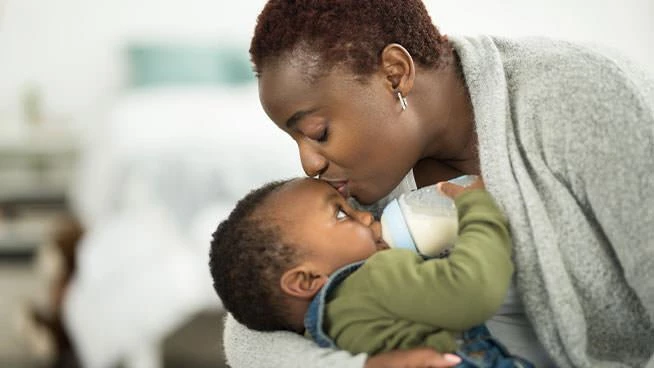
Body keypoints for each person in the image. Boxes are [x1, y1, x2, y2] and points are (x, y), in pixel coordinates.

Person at [224, 0, 654, 367]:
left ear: (394, 74)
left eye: (317, 132)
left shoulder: (581, 100)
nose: (308, 162)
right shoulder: (362, 193)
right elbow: (250, 324)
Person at [210, 176, 533, 367]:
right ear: (306, 280)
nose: (365, 217)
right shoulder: (378, 274)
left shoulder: (325, 336)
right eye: (341, 214)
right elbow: (473, 291)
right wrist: (478, 210)